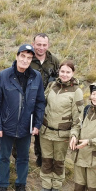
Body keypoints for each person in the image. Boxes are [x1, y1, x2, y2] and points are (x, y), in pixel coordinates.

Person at [0, 44, 46, 191]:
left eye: (29, 58)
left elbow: (40, 102)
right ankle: (2, 185)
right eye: (23, 56)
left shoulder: (36, 77)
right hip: (7, 125)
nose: (25, 60)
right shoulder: (4, 76)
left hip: (26, 127)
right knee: (4, 157)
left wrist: (37, 124)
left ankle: (21, 185)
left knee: (23, 158)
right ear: (17, 56)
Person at [39, 60, 84, 191]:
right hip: (45, 132)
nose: (64, 74)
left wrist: (74, 134)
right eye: (62, 71)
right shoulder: (52, 85)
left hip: (62, 135)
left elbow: (78, 117)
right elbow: (42, 103)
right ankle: (46, 184)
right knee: (46, 160)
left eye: (68, 72)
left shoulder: (77, 92)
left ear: (73, 73)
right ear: (59, 71)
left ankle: (56, 186)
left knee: (58, 162)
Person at [30, 33, 60, 167]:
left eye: (44, 45)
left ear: (48, 45)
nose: (41, 48)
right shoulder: (27, 58)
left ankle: (41, 156)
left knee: (41, 131)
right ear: (33, 44)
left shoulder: (54, 61)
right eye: (38, 44)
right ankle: (18, 155)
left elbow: (60, 80)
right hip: (28, 101)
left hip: (46, 103)